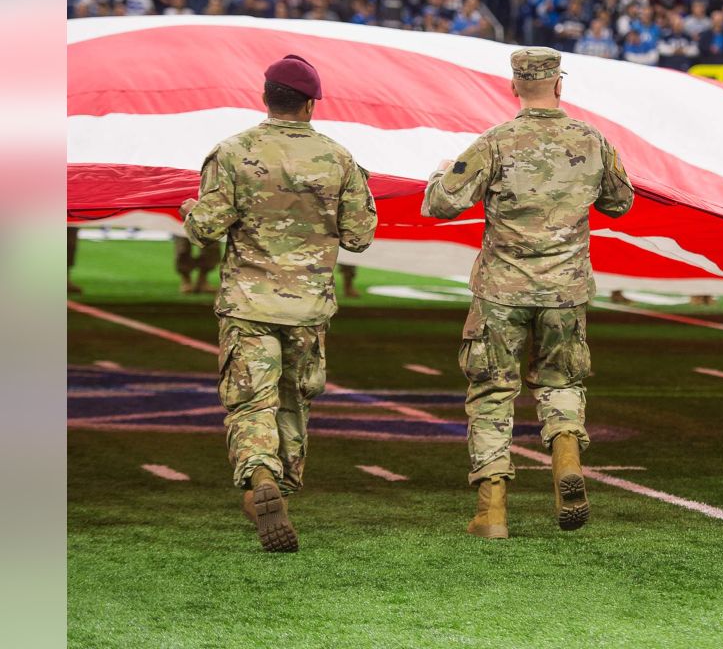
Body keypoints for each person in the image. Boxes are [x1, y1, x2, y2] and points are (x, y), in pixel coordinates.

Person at [423, 47, 634, 540]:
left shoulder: (495, 143)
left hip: (502, 292)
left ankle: (491, 512)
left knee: (493, 394)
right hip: (565, 291)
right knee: (562, 382)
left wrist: (441, 171)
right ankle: (565, 460)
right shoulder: (593, 141)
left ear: (513, 86)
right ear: (559, 84)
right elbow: (621, 203)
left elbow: (440, 203)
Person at [178, 55, 378, 552]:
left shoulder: (233, 151)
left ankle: (260, 478)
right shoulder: (338, 158)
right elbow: (360, 236)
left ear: (265, 97)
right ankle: (281, 486)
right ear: (311, 104)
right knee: (293, 401)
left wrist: (188, 207)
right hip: (308, 308)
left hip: (249, 304)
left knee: (252, 402)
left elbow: (203, 231)